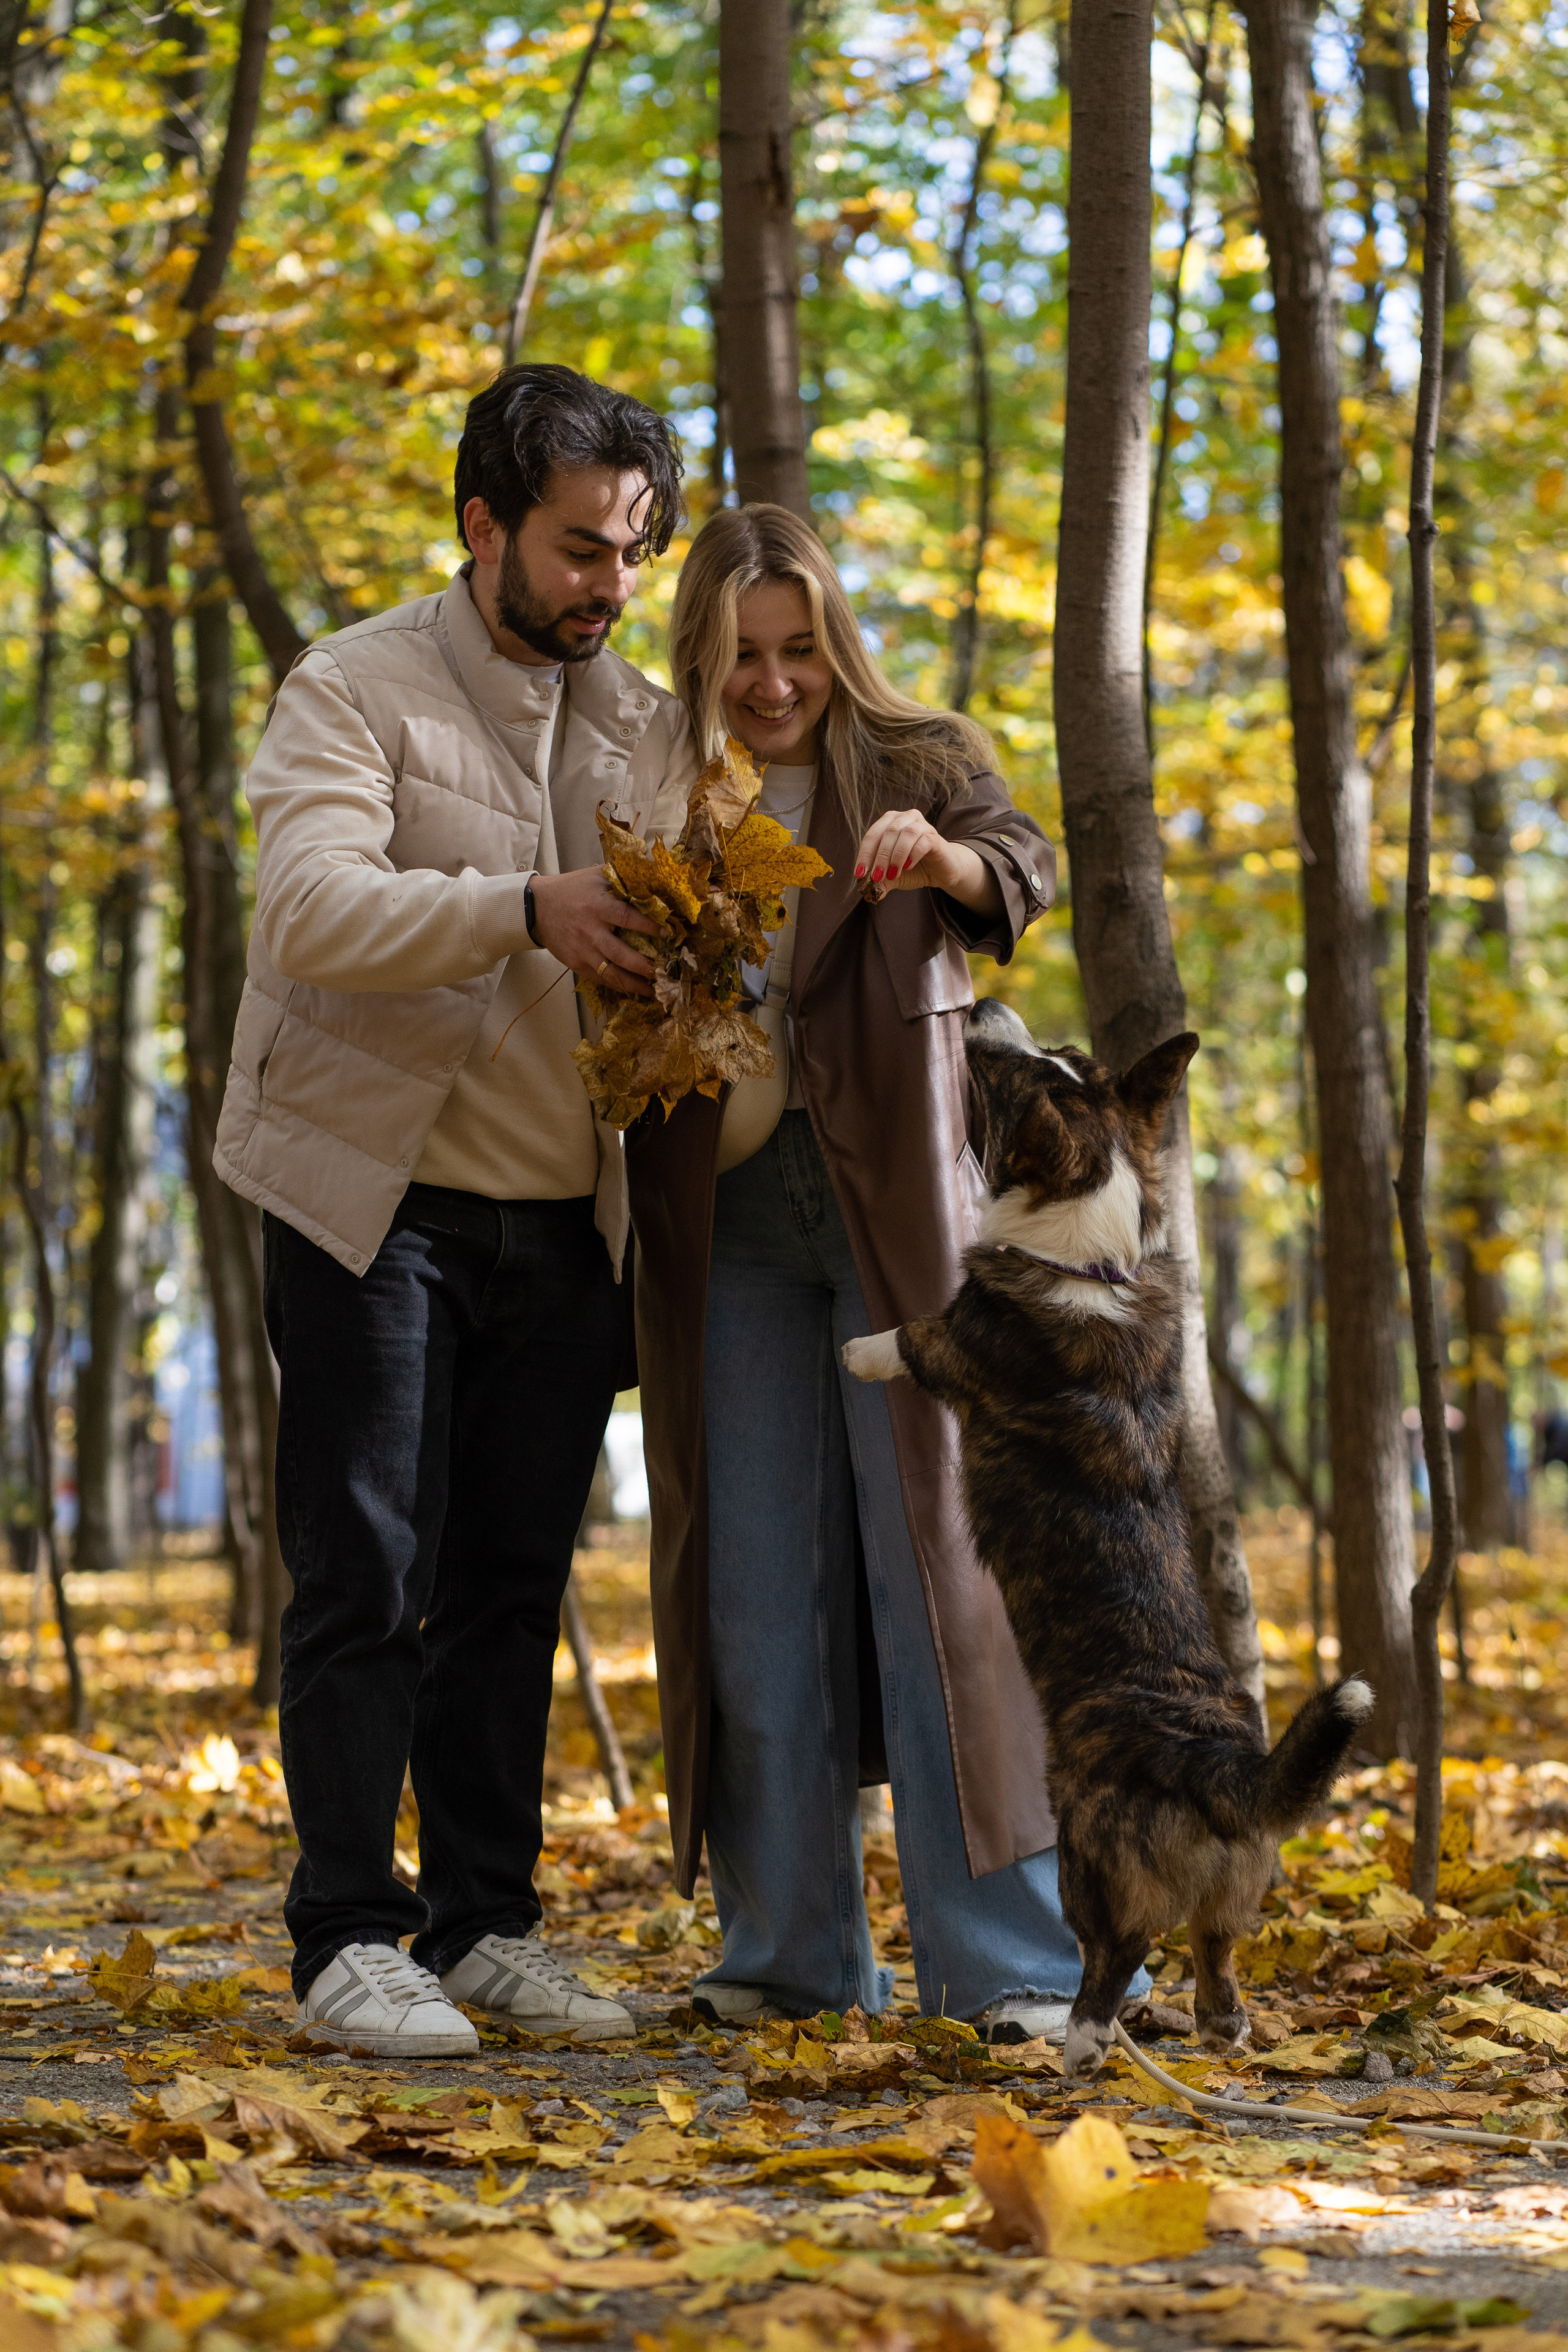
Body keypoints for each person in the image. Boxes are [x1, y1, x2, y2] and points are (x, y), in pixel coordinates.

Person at [214, 364, 698, 2057]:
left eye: (633, 554)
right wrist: (522, 904)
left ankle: (484, 1924)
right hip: (372, 1197)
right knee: (370, 1567)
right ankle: (347, 1933)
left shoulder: (646, 718)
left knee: (510, 1584)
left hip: (567, 1219)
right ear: (484, 524)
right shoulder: (350, 686)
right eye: (579, 549)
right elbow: (307, 912)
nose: (608, 587)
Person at [628, 503, 1151, 2037]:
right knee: (750, 1597)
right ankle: (787, 1961)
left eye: (799, 651)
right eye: (744, 655)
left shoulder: (916, 754)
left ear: (835, 646)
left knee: (940, 1577)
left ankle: (1010, 1970)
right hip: (724, 1234)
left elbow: (1022, 864)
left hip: (902, 1224)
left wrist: (949, 865)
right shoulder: (654, 780)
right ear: (701, 652)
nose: (774, 683)